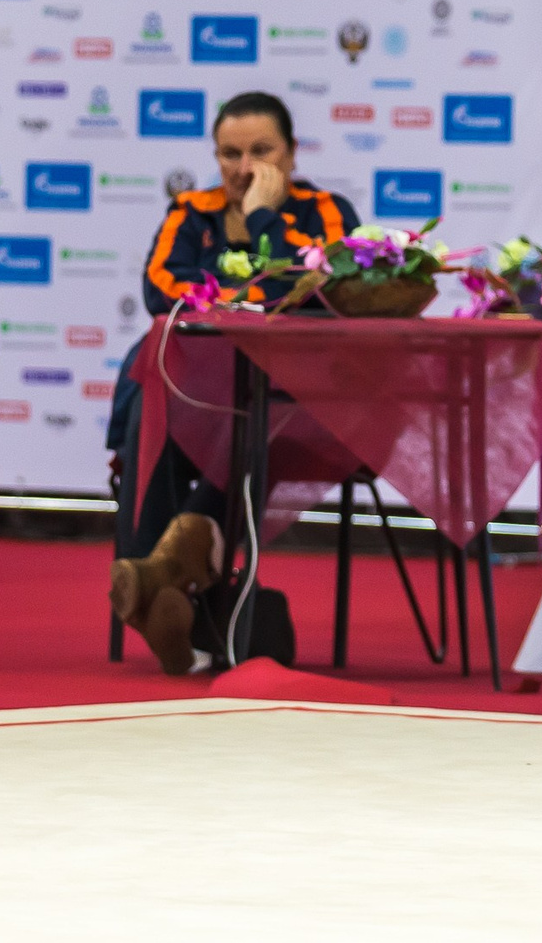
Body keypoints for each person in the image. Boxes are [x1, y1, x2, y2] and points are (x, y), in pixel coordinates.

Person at [105, 91, 356, 674]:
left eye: (261, 152)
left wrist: (264, 218)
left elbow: (320, 291)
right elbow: (162, 290)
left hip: (295, 398)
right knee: (151, 405)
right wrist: (260, 296)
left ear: (292, 153)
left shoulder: (326, 211)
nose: (244, 169)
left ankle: (150, 582)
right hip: (193, 387)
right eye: (230, 154)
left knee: (255, 419)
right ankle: (164, 583)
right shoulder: (191, 211)